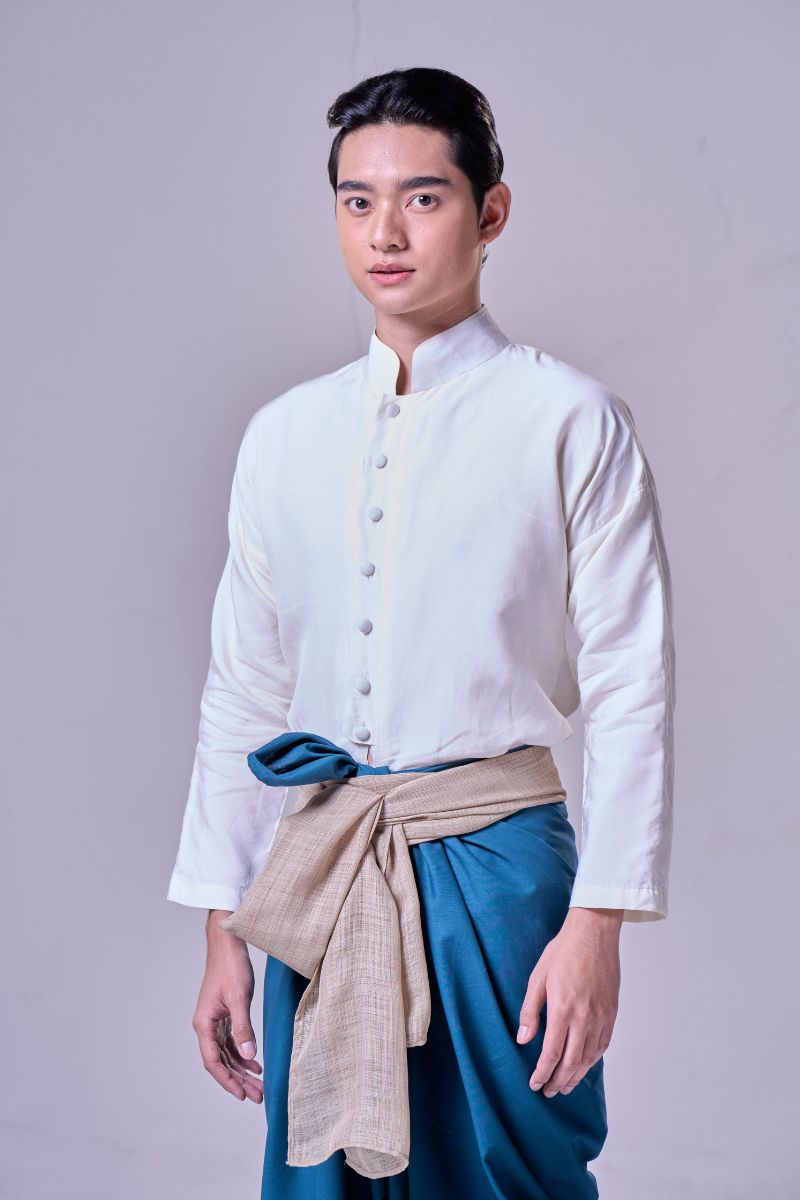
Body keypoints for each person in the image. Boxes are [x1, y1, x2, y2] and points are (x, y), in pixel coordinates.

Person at [167, 66, 676, 1199]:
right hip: (322, 872)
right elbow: (243, 688)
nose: (384, 233)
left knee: (510, 1173)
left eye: (423, 198)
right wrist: (221, 925)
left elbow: (630, 683)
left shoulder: (569, 421)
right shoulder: (281, 436)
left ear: (490, 213)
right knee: (324, 1176)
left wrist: (598, 922)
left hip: (499, 876)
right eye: (357, 201)